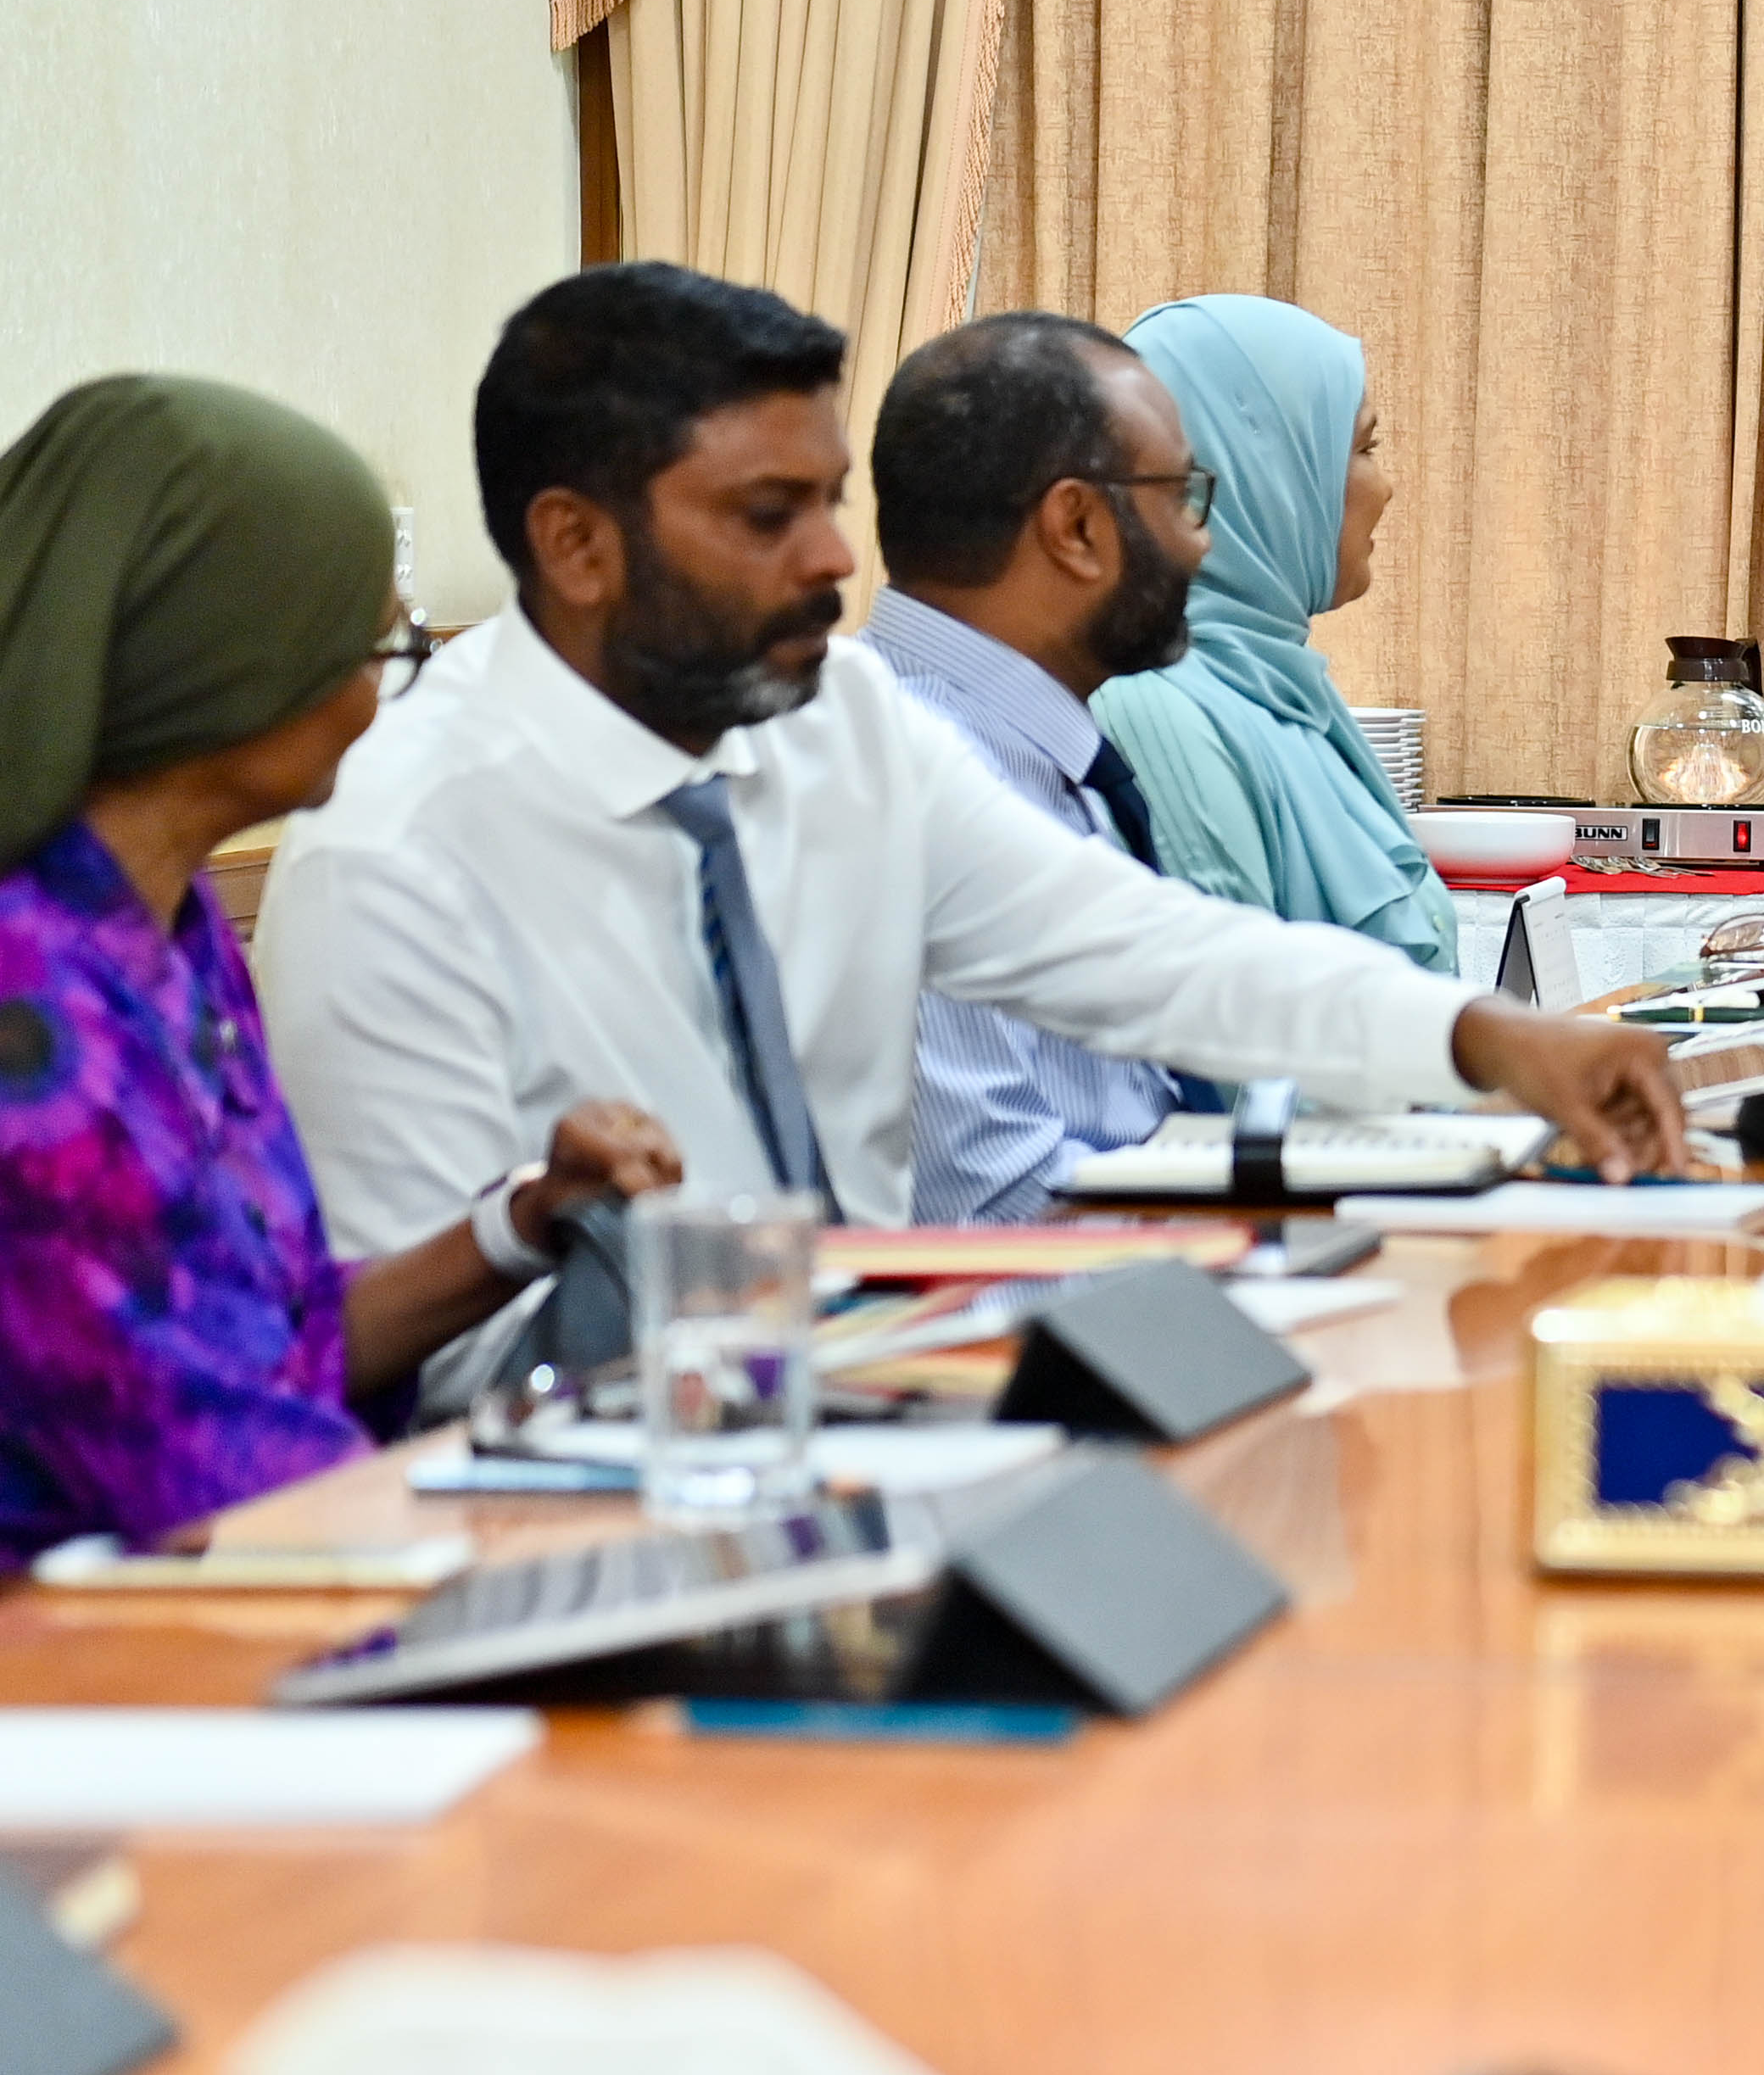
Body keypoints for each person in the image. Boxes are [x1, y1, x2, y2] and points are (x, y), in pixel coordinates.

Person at [251, 265, 1681, 1386]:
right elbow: (422, 1356)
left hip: (883, 1405)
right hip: (601, 1479)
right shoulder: (395, 852)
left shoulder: (839, 723)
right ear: (575, 543)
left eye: (829, 502)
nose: (833, 558)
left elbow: (1148, 953)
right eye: (766, 515)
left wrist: (1483, 1036)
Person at [0, 377, 680, 1560]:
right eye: (377, 646)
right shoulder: (30, 1019)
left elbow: (281, 1345)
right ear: (228, 668)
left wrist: (524, 1220)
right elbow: (207, 1475)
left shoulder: (171, 929)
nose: (382, 691)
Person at [864, 312, 1225, 1223]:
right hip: (1056, 1297)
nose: (1201, 542)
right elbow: (985, 1209)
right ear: (1076, 525)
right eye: (1181, 496)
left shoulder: (1036, 744)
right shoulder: (897, 767)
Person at [1091, 293, 1460, 975]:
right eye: (1364, 449)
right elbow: (1229, 1022)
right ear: (1262, 473)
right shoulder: (1158, 708)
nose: (1386, 488)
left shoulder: (1285, 693)